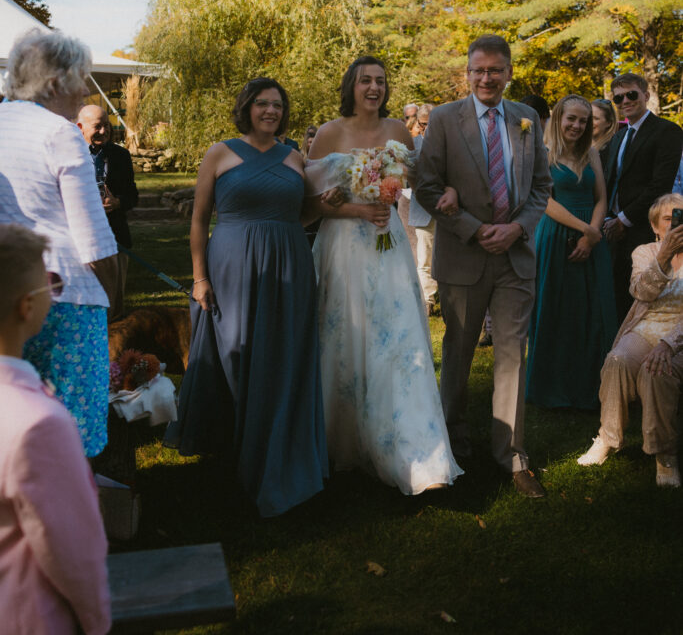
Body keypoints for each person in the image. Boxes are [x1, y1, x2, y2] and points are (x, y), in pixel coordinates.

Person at [165, 77, 328, 517]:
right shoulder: (220, 152)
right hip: (231, 265)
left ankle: (275, 449)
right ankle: (233, 443)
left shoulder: (295, 157)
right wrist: (199, 277)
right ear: (247, 108)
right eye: (262, 104)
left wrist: (324, 202)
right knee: (234, 352)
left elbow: (305, 211)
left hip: (288, 265)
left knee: (280, 356)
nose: (270, 111)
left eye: (277, 105)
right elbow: (199, 220)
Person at [306, 57, 462, 495]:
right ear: (350, 86)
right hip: (342, 246)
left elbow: (424, 178)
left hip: (387, 244)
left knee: (396, 339)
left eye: (380, 81)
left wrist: (444, 190)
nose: (373, 88)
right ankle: (343, 445)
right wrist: (351, 205)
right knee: (342, 338)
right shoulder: (328, 132)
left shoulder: (398, 131)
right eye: (365, 81)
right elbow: (311, 200)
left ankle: (411, 449)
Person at [416, 34, 553, 498]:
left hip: (515, 257)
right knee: (458, 354)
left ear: (509, 72)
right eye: (478, 70)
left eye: (495, 70)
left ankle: (512, 456)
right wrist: (475, 228)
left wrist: (517, 230)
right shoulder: (443, 119)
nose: (487, 78)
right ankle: (454, 444)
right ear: (467, 73)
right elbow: (427, 187)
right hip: (465, 255)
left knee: (513, 354)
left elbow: (540, 188)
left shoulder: (527, 119)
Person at [0, 224, 111, 635]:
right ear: (28, 307)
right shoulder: (38, 423)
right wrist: (98, 620)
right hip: (20, 634)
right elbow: (70, 545)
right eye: (50, 282)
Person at [0, 29, 118, 457]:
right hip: (66, 296)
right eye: (80, 78)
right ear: (54, 85)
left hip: (7, 295)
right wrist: (113, 292)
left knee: (10, 429)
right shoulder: (60, 132)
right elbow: (91, 235)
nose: (86, 89)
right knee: (69, 433)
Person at [578, 193, 683, 487]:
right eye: (669, 219)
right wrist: (664, 257)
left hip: (679, 336)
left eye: (681, 217)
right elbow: (642, 292)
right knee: (618, 360)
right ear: (656, 227)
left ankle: (664, 454)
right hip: (647, 327)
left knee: (657, 372)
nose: (676, 224)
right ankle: (608, 438)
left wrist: (668, 344)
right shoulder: (645, 252)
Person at [526, 95, 619, 409]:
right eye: (572, 119)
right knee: (556, 308)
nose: (577, 125)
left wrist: (592, 236)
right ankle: (552, 387)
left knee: (591, 311)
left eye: (583, 120)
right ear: (558, 119)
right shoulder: (542, 152)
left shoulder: (591, 152)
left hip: (591, 238)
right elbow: (544, 200)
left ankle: (591, 387)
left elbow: (601, 198)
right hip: (555, 235)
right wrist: (585, 230)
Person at [603, 72, 683, 321]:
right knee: (617, 296)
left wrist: (624, 220)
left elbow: (660, 184)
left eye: (631, 94)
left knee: (643, 302)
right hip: (613, 229)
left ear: (646, 95)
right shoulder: (618, 136)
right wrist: (609, 218)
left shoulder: (667, 131)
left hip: (644, 228)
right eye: (618, 98)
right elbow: (611, 182)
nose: (624, 101)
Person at [78, 104, 138, 320]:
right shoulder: (69, 155)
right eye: (97, 126)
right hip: (79, 243)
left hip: (116, 239)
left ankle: (116, 351)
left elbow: (133, 195)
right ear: (80, 127)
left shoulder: (121, 156)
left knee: (114, 307)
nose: (104, 131)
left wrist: (118, 203)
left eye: (107, 126)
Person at [409, 103, 438, 314]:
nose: (426, 129)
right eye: (423, 125)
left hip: (446, 208)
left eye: (430, 124)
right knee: (423, 258)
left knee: (444, 257)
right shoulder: (411, 145)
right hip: (421, 208)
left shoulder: (449, 143)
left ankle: (442, 296)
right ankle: (428, 300)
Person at [590, 97, 619, 174]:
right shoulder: (578, 144)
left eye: (595, 118)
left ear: (608, 123)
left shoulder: (612, 150)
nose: (589, 122)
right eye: (588, 117)